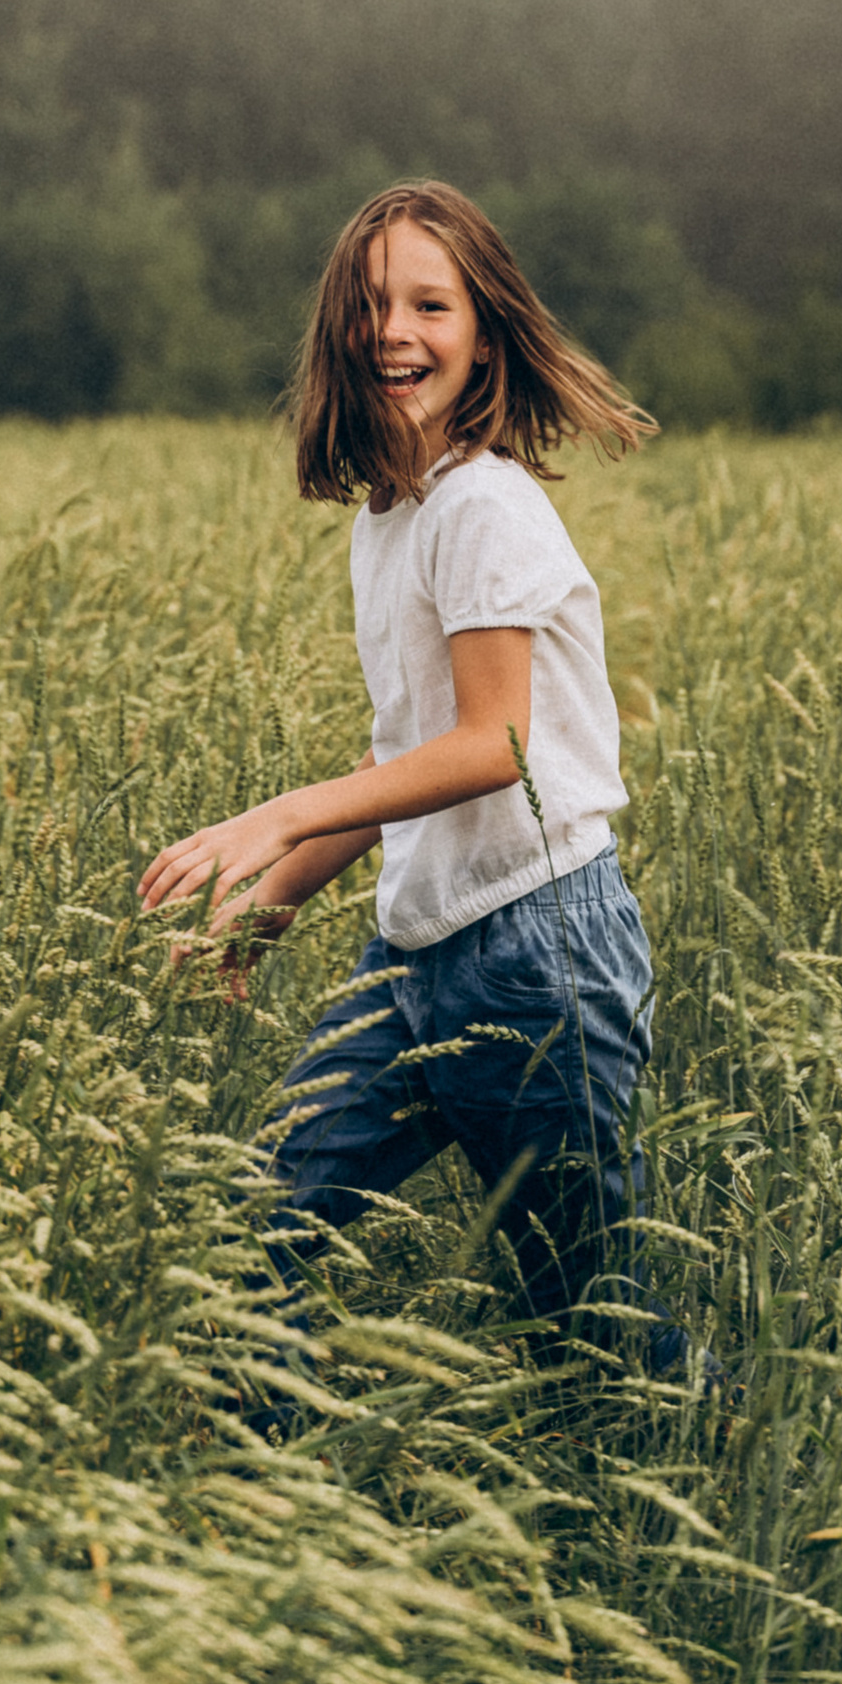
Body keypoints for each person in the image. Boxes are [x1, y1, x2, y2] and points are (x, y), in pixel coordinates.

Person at [139, 180, 693, 1385]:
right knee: (251, 1239)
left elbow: (493, 745)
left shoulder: (487, 505)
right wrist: (272, 902)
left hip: (541, 954)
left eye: (430, 305)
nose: (397, 330)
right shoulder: (391, 515)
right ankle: (246, 1505)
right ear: (340, 329)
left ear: (484, 332)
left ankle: (712, 1447)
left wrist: (274, 815)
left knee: (589, 1330)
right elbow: (409, 757)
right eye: (373, 304)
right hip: (416, 958)